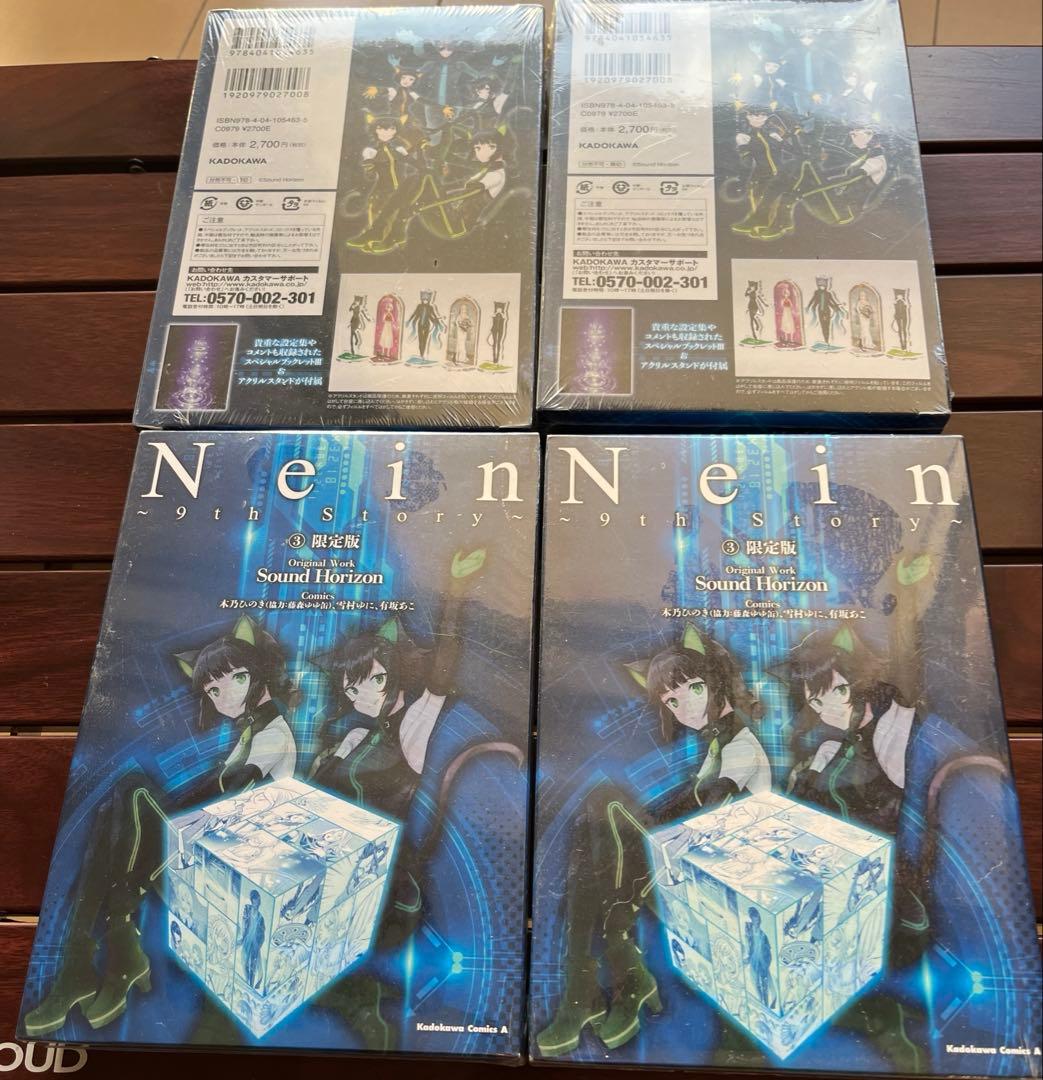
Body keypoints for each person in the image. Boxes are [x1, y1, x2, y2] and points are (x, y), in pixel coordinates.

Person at [22, 617, 299, 1036]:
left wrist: (158, 815)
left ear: (259, 672)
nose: (224, 696)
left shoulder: (273, 735)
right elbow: (208, 795)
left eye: (236, 678)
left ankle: (108, 955)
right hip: (212, 838)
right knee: (115, 814)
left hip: (232, 864)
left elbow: (226, 800)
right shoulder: (252, 732)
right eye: (213, 690)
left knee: (132, 792)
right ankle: (95, 962)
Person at [536, 625, 769, 1057]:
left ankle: (603, 986)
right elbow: (687, 806)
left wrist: (639, 831)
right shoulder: (718, 744)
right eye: (672, 701)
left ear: (714, 680)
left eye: (693, 688)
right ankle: (604, 986)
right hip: (693, 859)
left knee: (605, 804)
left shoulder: (740, 747)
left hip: (718, 881)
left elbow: (709, 812)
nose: (686, 707)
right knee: (596, 837)